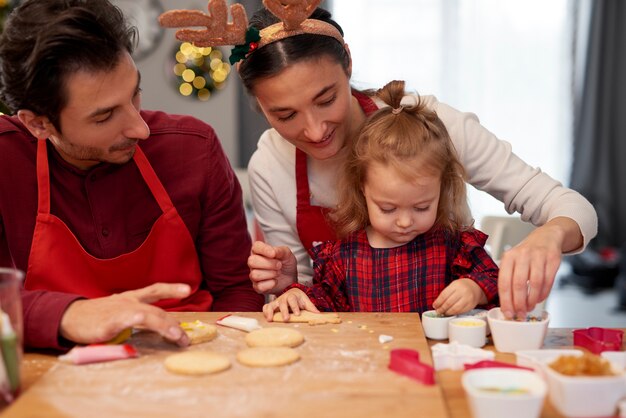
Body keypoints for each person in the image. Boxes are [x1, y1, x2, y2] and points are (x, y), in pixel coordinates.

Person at [160, 1, 597, 320]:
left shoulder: (432, 124)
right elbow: (314, 293)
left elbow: (574, 208)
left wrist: (551, 235)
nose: (314, 131)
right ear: (260, 108)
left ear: (347, 62)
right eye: (285, 115)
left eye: (326, 98)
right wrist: (287, 282)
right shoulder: (270, 166)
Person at [0, 0, 263, 351]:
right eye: (104, 116)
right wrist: (69, 315)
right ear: (38, 123)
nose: (140, 129)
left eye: (135, 93)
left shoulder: (192, 149)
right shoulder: (6, 158)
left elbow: (236, 291)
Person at [263, 80, 499, 320]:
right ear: (363, 190)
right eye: (387, 208)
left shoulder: (454, 245)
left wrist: (475, 288)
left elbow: (494, 278)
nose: (405, 221)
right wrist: (294, 294)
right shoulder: (343, 258)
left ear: (442, 189)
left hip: (433, 356)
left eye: (421, 207)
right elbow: (321, 303)